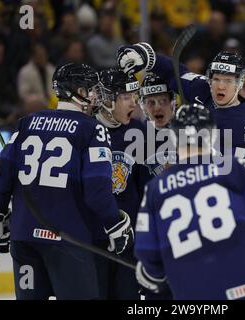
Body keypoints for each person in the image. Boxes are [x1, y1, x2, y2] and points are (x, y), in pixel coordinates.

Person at [0, 63, 134, 300]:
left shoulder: (27, 123)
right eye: (91, 90)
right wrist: (115, 224)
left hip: (24, 240)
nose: (95, 95)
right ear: (78, 92)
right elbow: (96, 191)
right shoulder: (92, 129)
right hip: (66, 241)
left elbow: (2, 176)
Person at [134, 103, 245, 300]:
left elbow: (147, 251)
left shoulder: (156, 188)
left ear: (174, 138)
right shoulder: (234, 169)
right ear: (211, 134)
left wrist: (153, 274)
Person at [117, 42, 245, 245]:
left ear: (240, 83)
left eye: (228, 81)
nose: (220, 86)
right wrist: (146, 55)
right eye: (216, 79)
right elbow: (174, 72)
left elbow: (244, 180)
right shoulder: (203, 89)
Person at [93, 67, 150, 299]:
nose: (133, 104)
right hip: (94, 239)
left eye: (135, 97)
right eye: (126, 97)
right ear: (107, 99)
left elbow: (146, 188)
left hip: (129, 241)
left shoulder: (138, 131)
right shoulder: (85, 130)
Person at [139, 73, 177, 177]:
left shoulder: (190, 131)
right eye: (151, 102)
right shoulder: (138, 136)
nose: (157, 108)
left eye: (163, 101)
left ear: (172, 103)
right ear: (144, 107)